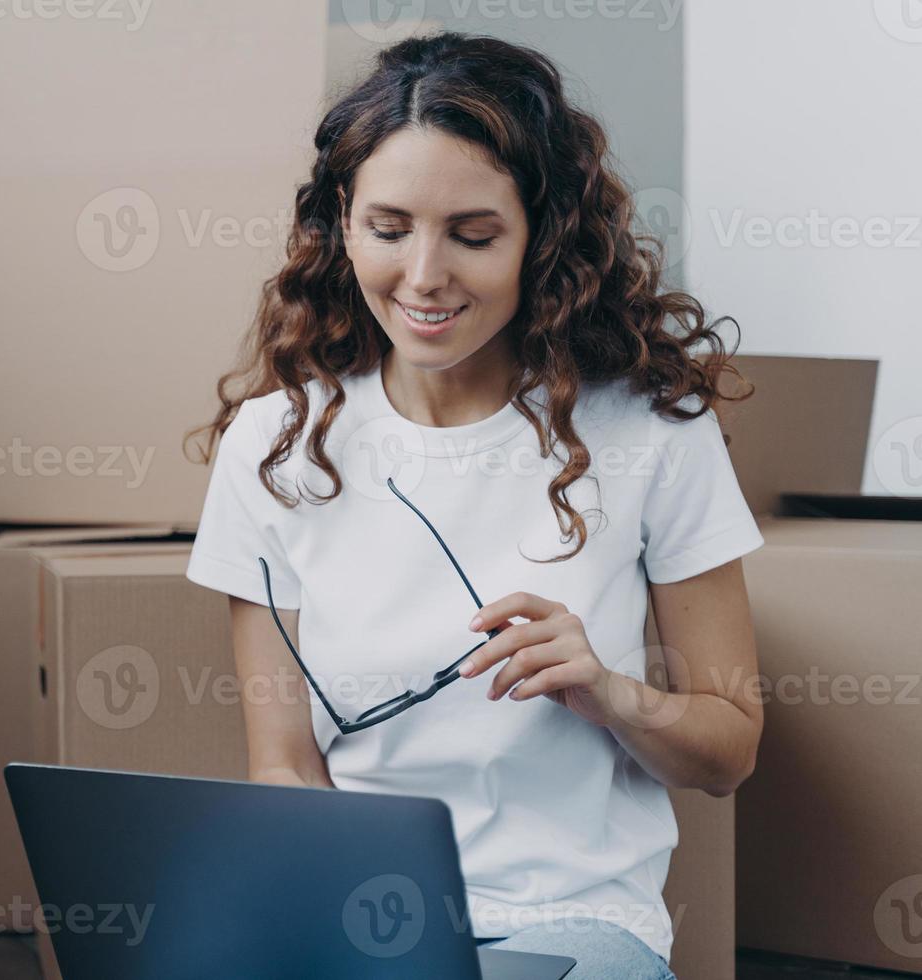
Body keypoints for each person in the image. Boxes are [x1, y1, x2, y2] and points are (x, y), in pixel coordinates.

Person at [183, 32, 766, 980]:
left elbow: (728, 753)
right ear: (342, 218)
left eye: (473, 234)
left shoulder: (655, 432)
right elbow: (284, 765)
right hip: (357, 917)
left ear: (545, 232)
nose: (422, 277)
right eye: (388, 228)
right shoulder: (274, 444)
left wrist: (611, 695)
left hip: (570, 923)